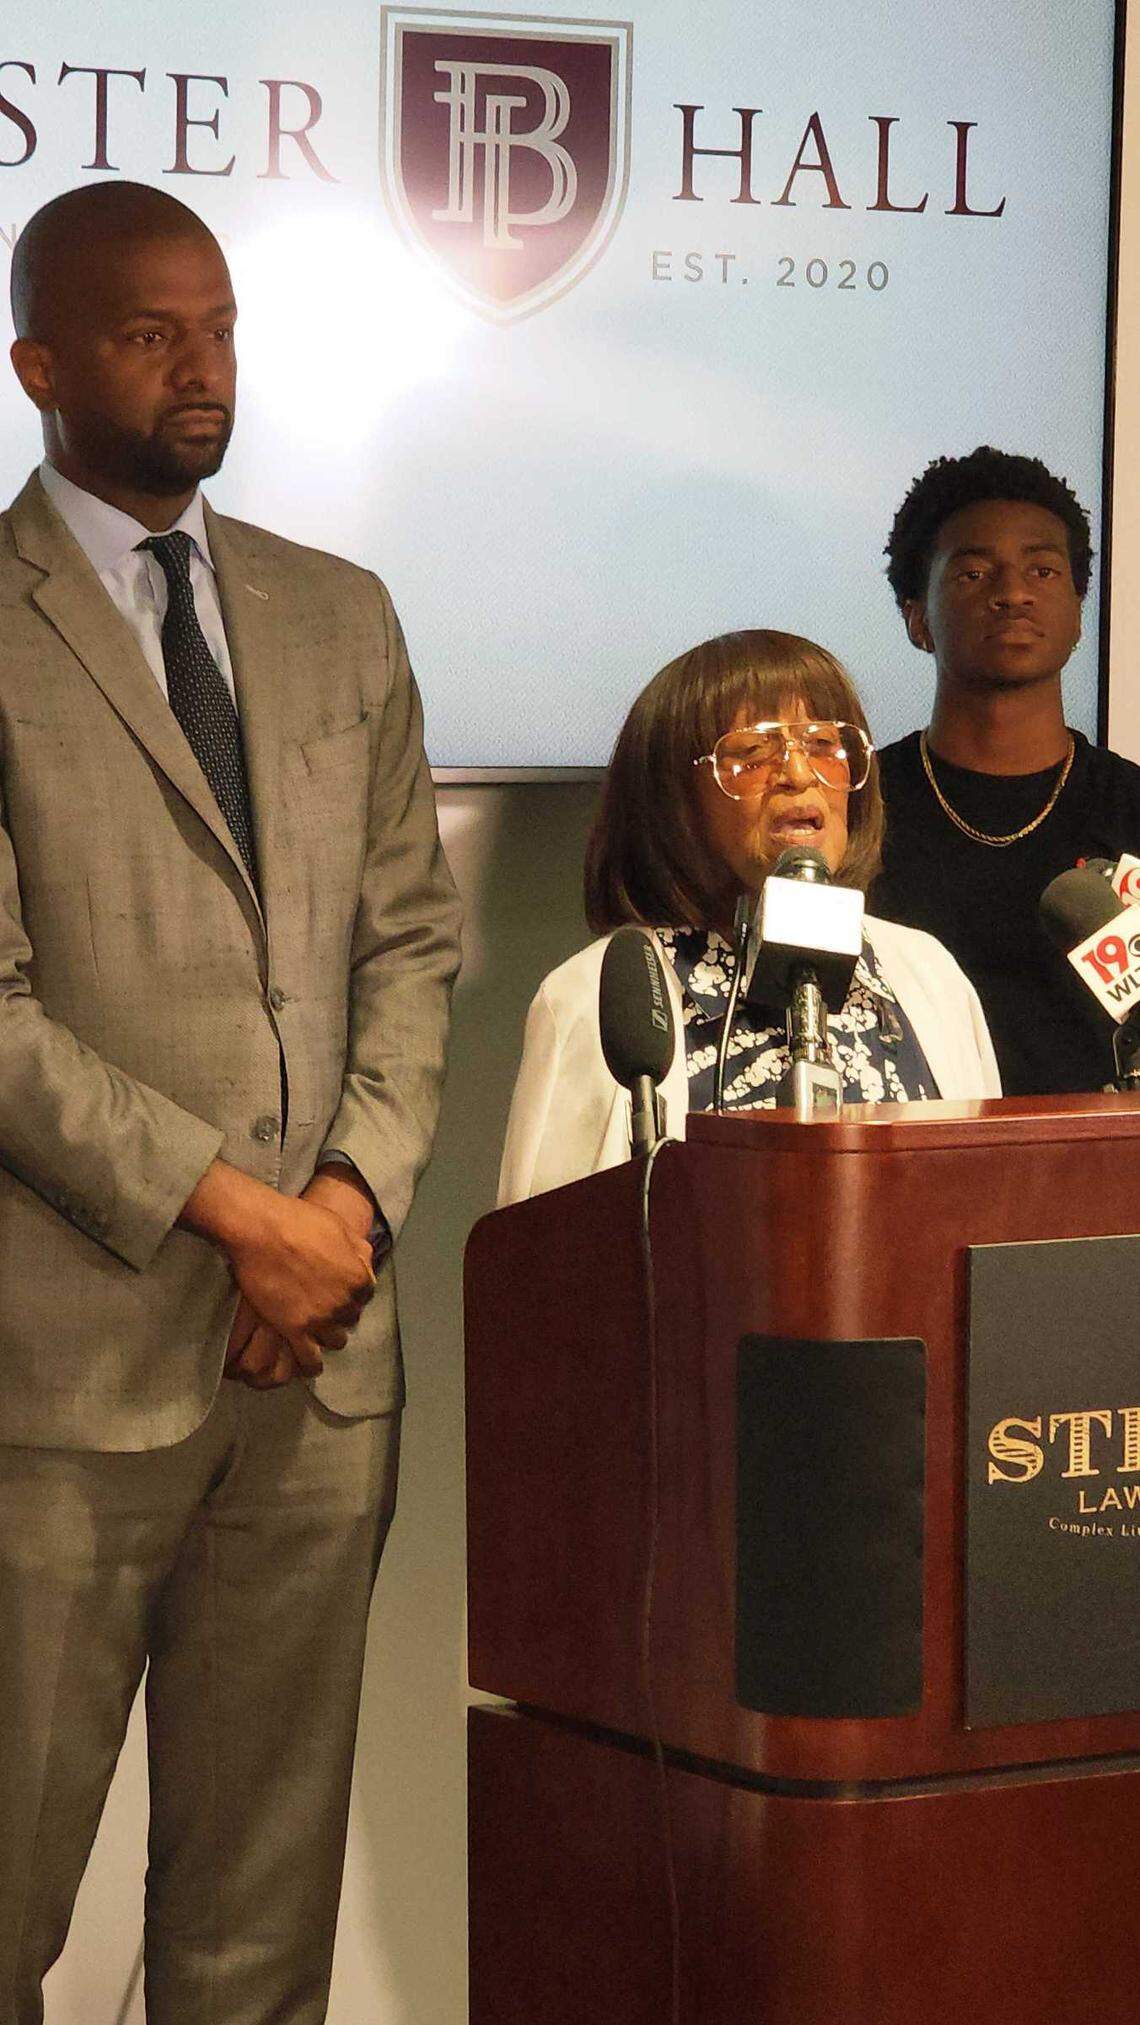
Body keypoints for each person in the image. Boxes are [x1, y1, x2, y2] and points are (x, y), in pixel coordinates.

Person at [0, 181, 461, 2021]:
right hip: (62, 1374)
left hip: (318, 1368)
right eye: (148, 333)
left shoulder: (337, 614)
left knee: (256, 1926)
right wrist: (236, 1216)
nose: (204, 370)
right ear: (37, 363)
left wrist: (340, 1210)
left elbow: (412, 945)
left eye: (222, 327)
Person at [498, 629, 997, 1203]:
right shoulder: (602, 995)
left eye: (823, 745)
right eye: (752, 754)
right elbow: (542, 1263)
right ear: (672, 797)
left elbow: (986, 1210)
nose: (798, 774)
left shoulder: (926, 971)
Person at [871, 445, 1140, 1095]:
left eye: (1044, 571)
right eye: (972, 574)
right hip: (901, 1174)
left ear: (1079, 612)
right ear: (916, 618)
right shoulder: (854, 810)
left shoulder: (1132, 807)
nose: (1013, 593)